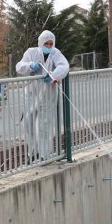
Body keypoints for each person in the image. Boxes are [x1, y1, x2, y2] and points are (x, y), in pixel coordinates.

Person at [15, 30, 70, 161]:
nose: (49, 46)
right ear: (40, 43)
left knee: (44, 124)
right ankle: (32, 152)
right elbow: (19, 66)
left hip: (48, 94)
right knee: (28, 123)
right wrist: (30, 66)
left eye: (51, 44)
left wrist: (53, 75)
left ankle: (44, 155)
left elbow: (64, 66)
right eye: (46, 43)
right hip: (32, 93)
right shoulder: (31, 52)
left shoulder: (56, 53)